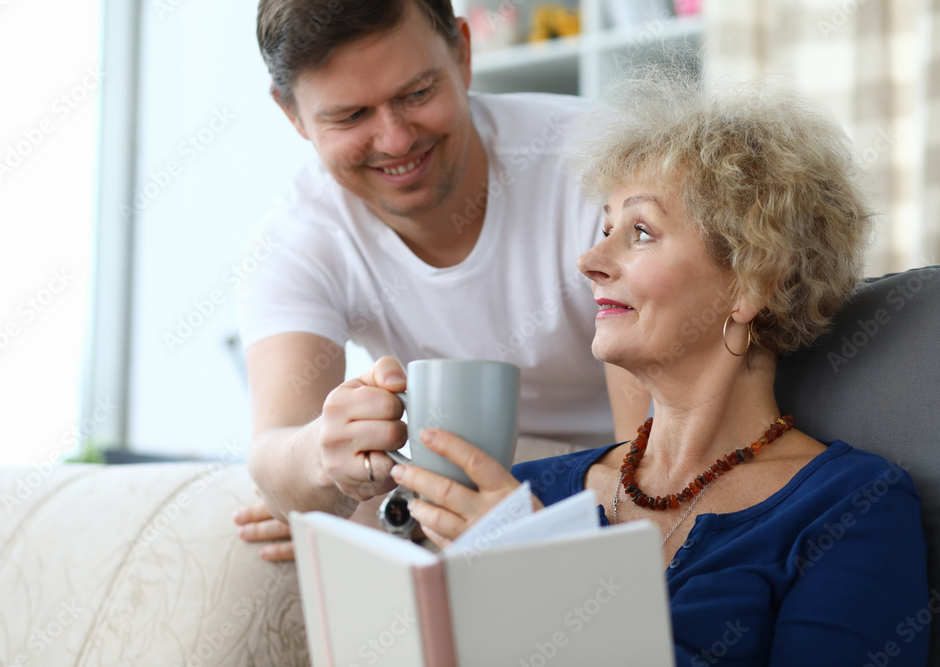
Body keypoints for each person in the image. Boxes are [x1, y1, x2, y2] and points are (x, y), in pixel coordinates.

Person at [389, 71, 930, 664]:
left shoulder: (851, 505)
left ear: (752, 282)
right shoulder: (528, 495)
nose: (589, 260)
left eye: (641, 232)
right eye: (604, 229)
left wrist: (544, 577)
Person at [233, 0, 650, 560]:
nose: (396, 140)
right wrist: (318, 459)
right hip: (458, 477)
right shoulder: (298, 237)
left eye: (417, 94)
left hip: (614, 462)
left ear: (463, 51)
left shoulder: (598, 162)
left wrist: (530, 519)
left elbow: (650, 472)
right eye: (350, 116)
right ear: (292, 115)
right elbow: (272, 454)